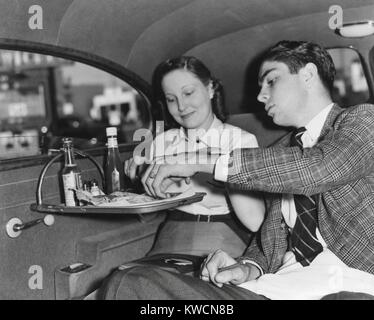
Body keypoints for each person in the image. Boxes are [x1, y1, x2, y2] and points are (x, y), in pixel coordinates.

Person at [102, 40, 374, 300]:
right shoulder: (279, 150)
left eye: (271, 80)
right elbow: (269, 245)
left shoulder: (362, 121)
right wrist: (244, 267)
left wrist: (197, 160)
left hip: (354, 284)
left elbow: (317, 169)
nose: (260, 95)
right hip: (277, 290)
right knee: (129, 284)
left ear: (308, 74)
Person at [124, 56, 265, 258]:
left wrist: (208, 163)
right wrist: (139, 184)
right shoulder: (161, 143)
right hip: (171, 233)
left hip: (223, 234)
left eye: (188, 93)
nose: (181, 106)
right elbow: (150, 217)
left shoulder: (240, 141)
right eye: (171, 99)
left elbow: (254, 220)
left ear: (210, 89)